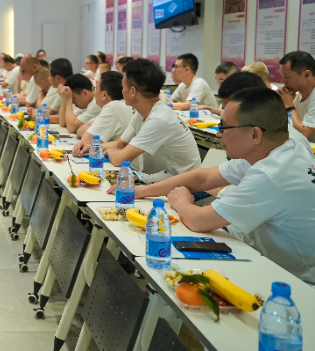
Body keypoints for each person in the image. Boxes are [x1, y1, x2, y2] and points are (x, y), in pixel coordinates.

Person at [130, 88, 315, 284]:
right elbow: (203, 178)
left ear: (254, 134)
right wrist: (141, 191)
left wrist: (182, 202)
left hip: (293, 279)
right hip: (269, 254)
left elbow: (198, 221)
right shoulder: (283, 143)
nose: (218, 134)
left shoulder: (271, 174)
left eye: (224, 127)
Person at [104, 59, 201, 175]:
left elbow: (119, 159)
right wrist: (93, 146)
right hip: (162, 179)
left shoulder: (159, 119)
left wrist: (108, 151)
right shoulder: (142, 113)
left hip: (183, 183)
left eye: (123, 87)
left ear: (133, 91)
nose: (122, 91)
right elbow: (120, 144)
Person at [72, 71, 134, 155]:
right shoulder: (121, 105)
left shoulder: (113, 107)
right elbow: (80, 131)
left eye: (96, 89)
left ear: (104, 94)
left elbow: (85, 142)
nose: (94, 93)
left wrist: (91, 127)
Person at [278, 51, 315, 142]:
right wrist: (280, 104)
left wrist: (289, 106)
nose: (283, 81)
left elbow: (303, 134)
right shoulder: (296, 96)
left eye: (287, 77)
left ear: (307, 75)